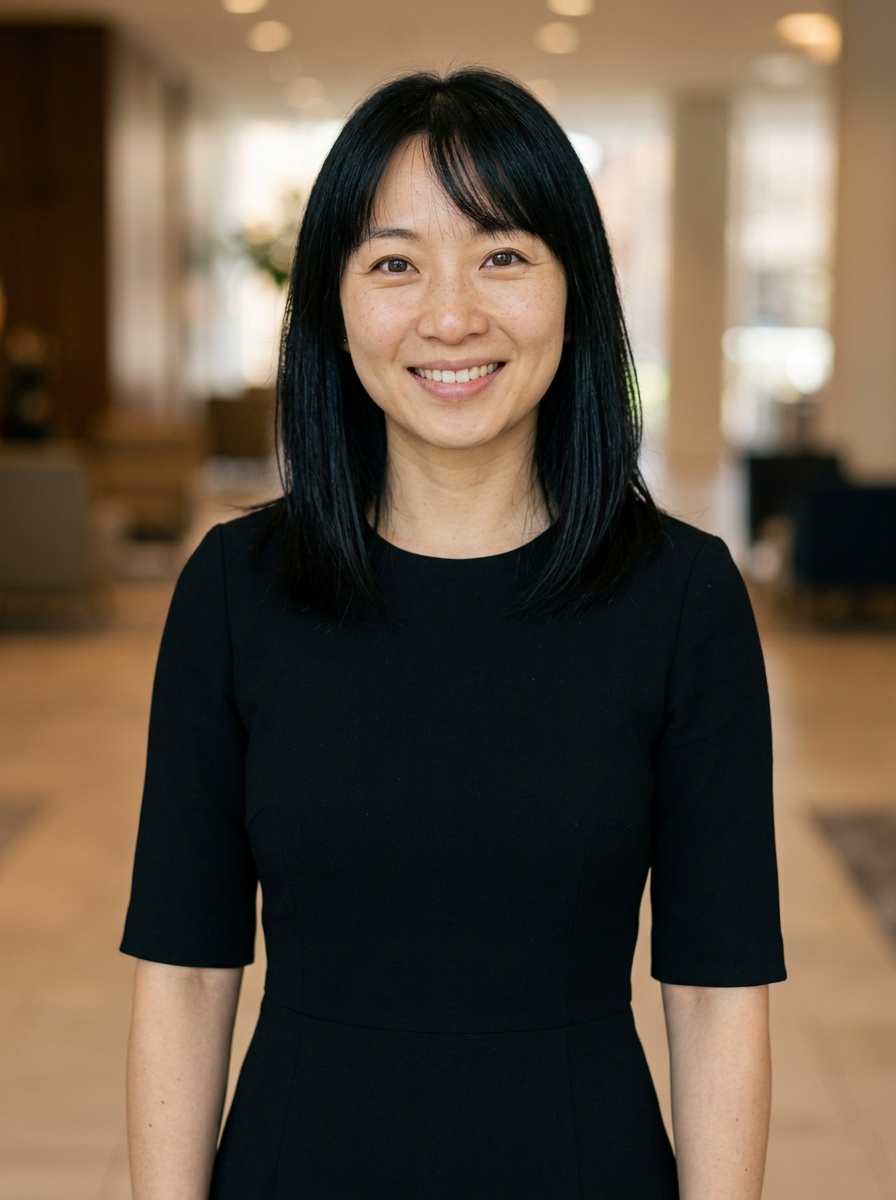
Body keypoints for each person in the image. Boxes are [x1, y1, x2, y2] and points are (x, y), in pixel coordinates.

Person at [121, 67, 786, 1200]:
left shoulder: (682, 597)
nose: (448, 314)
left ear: (574, 286)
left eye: (502, 255)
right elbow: (184, 976)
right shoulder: (236, 590)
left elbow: (716, 992)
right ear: (332, 300)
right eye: (393, 262)